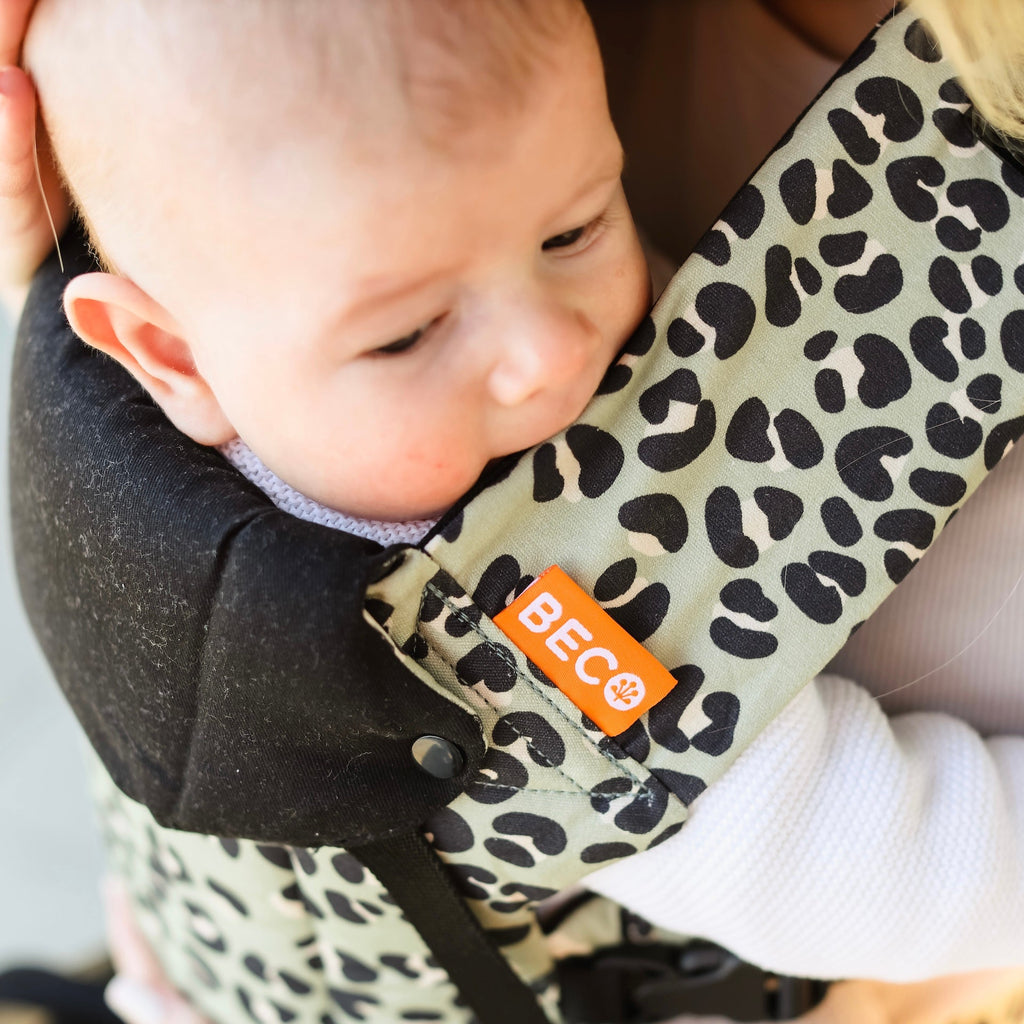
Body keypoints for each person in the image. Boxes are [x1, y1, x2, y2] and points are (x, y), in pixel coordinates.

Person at [8, 0, 1024, 1022]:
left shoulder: (262, 355)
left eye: (575, 227)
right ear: (167, 354)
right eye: (408, 334)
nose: (545, 351)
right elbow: (872, 867)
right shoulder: (515, 633)